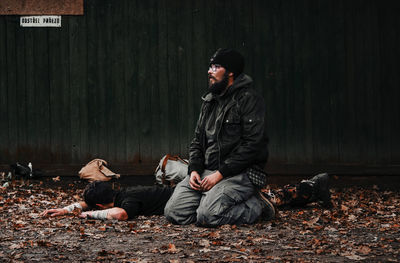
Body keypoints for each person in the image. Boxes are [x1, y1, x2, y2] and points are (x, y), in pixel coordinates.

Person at [164, 48, 330, 227]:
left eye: (216, 66)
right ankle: (211, 200)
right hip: (207, 172)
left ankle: (258, 205)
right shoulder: (209, 101)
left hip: (240, 174)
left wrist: (220, 174)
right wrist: (194, 170)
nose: (209, 71)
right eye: (210, 66)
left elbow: (252, 145)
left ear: (230, 72)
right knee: (174, 212)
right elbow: (197, 142)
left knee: (208, 216)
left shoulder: (249, 100)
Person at [42, 181, 174, 221]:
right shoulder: (117, 195)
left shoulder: (128, 200)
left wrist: (91, 214)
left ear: (100, 205)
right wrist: (65, 210)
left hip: (179, 198)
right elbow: (87, 204)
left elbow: (121, 214)